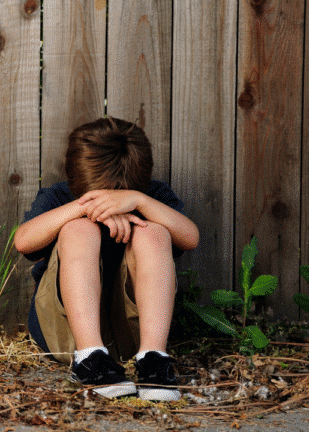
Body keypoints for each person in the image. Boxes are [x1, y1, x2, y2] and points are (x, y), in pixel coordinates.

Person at [15, 117, 199, 401]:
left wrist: (140, 202)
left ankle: (153, 359)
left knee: (153, 233)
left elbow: (190, 237)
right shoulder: (60, 196)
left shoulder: (152, 195)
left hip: (132, 333)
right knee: (78, 230)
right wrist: (83, 208)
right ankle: (90, 358)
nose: (108, 202)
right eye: (97, 195)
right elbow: (23, 241)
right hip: (66, 336)